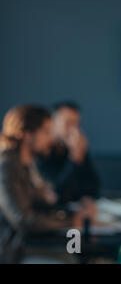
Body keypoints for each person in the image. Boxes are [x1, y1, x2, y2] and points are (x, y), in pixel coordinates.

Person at [0, 105, 93, 263]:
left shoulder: (27, 165)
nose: (51, 138)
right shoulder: (7, 166)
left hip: (31, 242)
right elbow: (24, 220)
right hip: (16, 250)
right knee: (71, 257)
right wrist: (71, 221)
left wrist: (76, 213)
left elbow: (47, 200)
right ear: (27, 135)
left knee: (76, 253)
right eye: (46, 132)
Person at [36, 101, 100, 204]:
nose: (74, 129)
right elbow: (56, 193)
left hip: (77, 211)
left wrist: (87, 199)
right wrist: (75, 158)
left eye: (76, 123)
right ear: (52, 122)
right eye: (68, 123)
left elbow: (94, 187)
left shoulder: (75, 147)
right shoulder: (42, 150)